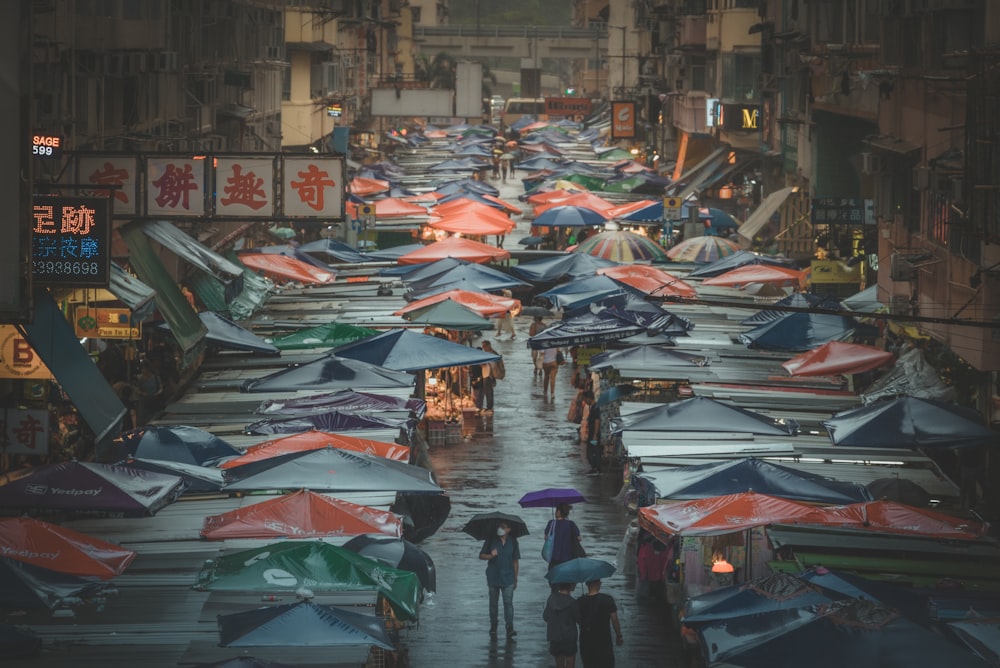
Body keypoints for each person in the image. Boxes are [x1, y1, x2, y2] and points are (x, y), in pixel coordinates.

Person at [479, 520, 520, 639]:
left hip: (508, 578)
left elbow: (515, 561)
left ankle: (509, 627)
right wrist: (490, 555)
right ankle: (493, 625)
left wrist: (515, 578)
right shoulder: (491, 540)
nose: (500, 529)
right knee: (493, 604)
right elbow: (481, 555)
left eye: (503, 527)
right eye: (499, 526)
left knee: (508, 603)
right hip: (493, 577)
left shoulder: (513, 541)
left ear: (508, 530)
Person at [577, 579, 623, 668]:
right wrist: (618, 635)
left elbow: (577, 620)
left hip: (586, 640)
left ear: (587, 584)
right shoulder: (608, 599)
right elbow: (614, 619)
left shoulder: (580, 601)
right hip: (604, 640)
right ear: (598, 584)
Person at [544, 581, 579, 668]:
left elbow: (546, 617)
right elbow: (579, 619)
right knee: (570, 659)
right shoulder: (573, 602)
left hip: (555, 636)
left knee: (559, 662)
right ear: (571, 586)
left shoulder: (551, 599)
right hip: (569, 637)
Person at [545, 503, 583, 571]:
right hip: (568, 558)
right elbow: (579, 539)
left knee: (553, 578)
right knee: (567, 578)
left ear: (558, 512)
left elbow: (546, 538)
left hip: (554, 557)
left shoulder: (551, 523)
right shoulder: (571, 524)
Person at [133, 362, 163, 427]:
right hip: (144, 402)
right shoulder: (141, 379)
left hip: (153, 401)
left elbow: (161, 388)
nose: (143, 371)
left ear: (148, 369)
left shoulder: (156, 378)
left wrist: (157, 393)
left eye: (144, 369)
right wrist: (142, 393)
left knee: (153, 418)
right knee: (143, 421)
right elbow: (136, 389)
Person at [580, 391, 601, 475]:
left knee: (593, 451)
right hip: (592, 433)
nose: (585, 401)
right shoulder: (593, 407)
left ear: (588, 398)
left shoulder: (595, 408)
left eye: (585, 399)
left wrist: (595, 434)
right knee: (592, 450)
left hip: (594, 434)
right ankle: (595, 467)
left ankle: (596, 468)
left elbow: (597, 421)